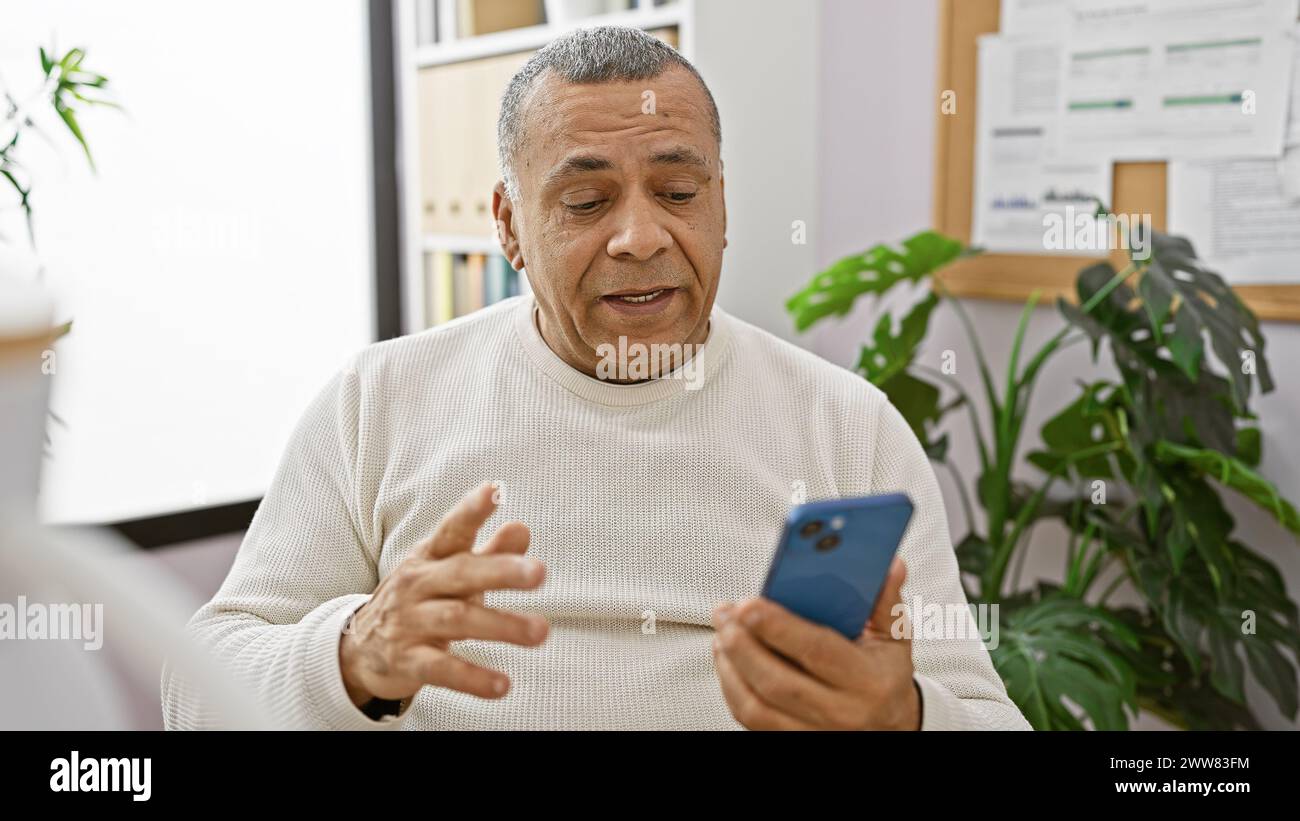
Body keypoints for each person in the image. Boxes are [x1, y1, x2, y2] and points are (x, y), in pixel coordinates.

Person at [163, 25, 1030, 731]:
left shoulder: (848, 426)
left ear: (723, 204)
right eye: (585, 203)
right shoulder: (379, 401)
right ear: (508, 225)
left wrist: (906, 720)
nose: (639, 238)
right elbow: (195, 694)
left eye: (679, 191)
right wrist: (351, 656)